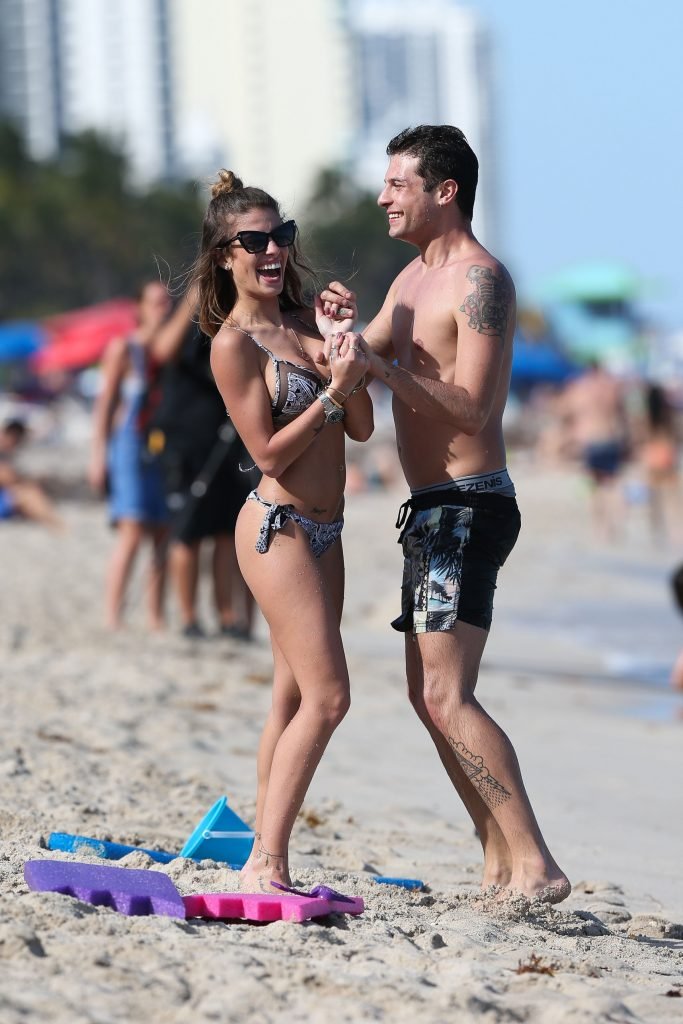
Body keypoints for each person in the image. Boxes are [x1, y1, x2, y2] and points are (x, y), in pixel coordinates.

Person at [327, 125, 569, 903]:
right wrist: (335, 337)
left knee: (445, 695)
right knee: (426, 696)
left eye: (397, 184)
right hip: (429, 512)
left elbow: (473, 408)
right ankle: (497, 860)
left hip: (469, 505)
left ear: (444, 191)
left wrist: (380, 367)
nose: (381, 198)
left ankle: (534, 863)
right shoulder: (408, 281)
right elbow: (352, 367)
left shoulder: (479, 280)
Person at [194, 169, 372, 891]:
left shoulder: (306, 322)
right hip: (277, 530)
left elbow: (361, 428)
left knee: (292, 700)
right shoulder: (232, 345)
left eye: (282, 236)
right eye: (255, 241)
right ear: (224, 257)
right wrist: (333, 392)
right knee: (330, 697)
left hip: (328, 532)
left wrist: (343, 347)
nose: (273, 251)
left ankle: (264, 852)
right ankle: (267, 861)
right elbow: (267, 453)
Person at [148, 287, 258, 640]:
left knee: (226, 531)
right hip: (183, 438)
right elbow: (162, 351)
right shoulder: (183, 311)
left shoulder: (233, 315)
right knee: (188, 530)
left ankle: (227, 615)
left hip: (227, 436)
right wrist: (195, 295)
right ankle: (189, 616)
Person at [88, 281, 171, 630]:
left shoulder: (169, 352)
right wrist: (98, 455)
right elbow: (105, 404)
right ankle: (113, 614)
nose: (163, 309)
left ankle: (155, 616)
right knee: (132, 528)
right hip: (128, 444)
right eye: (155, 303)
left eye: (167, 303)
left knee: (163, 530)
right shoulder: (124, 348)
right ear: (139, 308)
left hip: (161, 445)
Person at [560, 359, 630, 541]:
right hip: (611, 437)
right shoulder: (612, 387)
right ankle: (619, 525)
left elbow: (565, 412)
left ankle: (599, 529)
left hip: (589, 440)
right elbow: (623, 416)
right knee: (613, 483)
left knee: (594, 485)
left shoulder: (580, 388)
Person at [0, 418, 62, 529]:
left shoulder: (8, 456)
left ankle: (55, 524)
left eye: (19, 437)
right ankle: (56, 525)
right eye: (13, 435)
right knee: (27, 494)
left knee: (29, 491)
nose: (15, 440)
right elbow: (6, 477)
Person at [641, 381, 680, 544]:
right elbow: (677, 436)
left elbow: (640, 438)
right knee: (672, 495)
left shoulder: (646, 417)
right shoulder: (668, 416)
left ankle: (656, 531)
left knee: (654, 497)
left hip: (652, 455)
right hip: (667, 453)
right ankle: (676, 532)